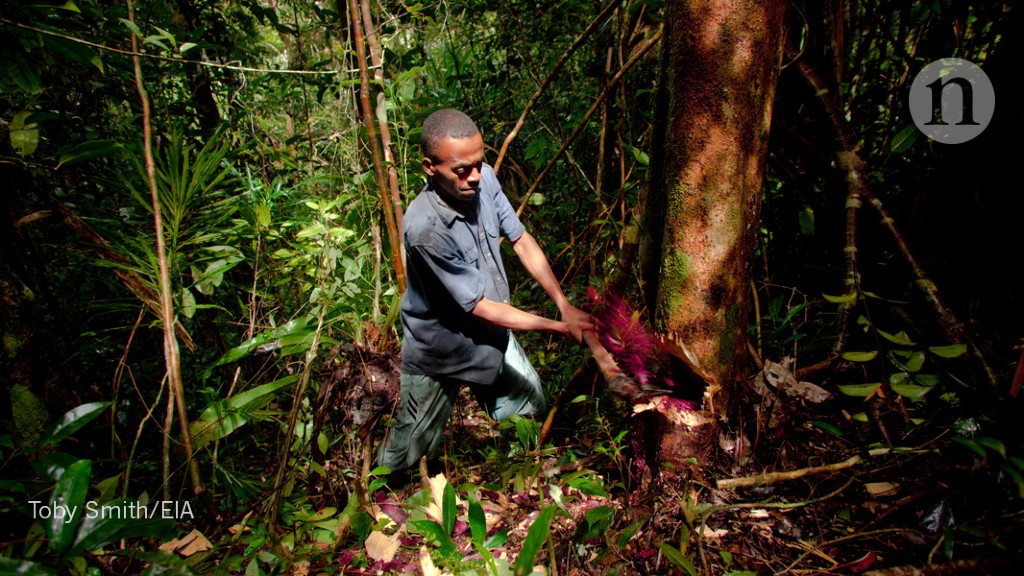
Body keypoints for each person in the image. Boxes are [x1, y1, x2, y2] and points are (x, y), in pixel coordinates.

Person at [378, 108, 594, 472]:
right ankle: (376, 505)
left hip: (489, 333)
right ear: (430, 167)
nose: (475, 177)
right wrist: (557, 327)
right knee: (407, 454)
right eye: (461, 170)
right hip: (439, 348)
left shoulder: (485, 179)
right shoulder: (424, 228)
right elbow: (477, 305)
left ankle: (520, 477)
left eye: (479, 163)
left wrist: (563, 305)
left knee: (529, 408)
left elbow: (521, 240)